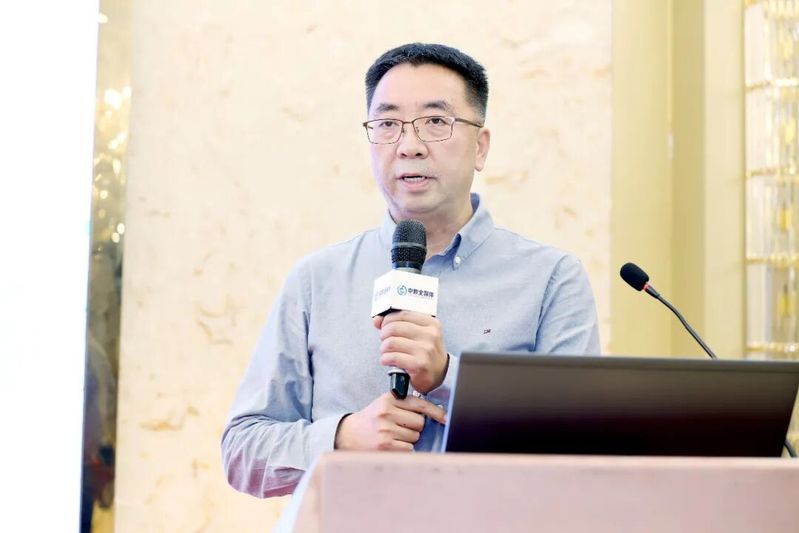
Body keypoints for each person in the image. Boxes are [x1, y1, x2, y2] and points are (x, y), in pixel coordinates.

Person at [221, 42, 600, 498]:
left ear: (480, 147)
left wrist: (448, 377)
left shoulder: (551, 279)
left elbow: (580, 450)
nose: (409, 146)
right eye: (387, 124)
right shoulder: (317, 281)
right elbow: (242, 451)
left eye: (436, 122)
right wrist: (341, 437)